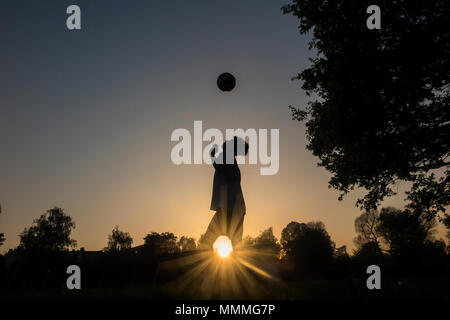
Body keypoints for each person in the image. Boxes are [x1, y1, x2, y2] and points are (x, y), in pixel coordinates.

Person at [202, 137, 249, 248]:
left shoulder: (226, 156)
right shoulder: (232, 160)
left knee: (207, 241)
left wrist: (212, 156)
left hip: (228, 208)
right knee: (236, 244)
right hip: (237, 208)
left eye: (231, 142)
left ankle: (203, 264)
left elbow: (219, 167)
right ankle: (239, 265)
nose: (227, 141)